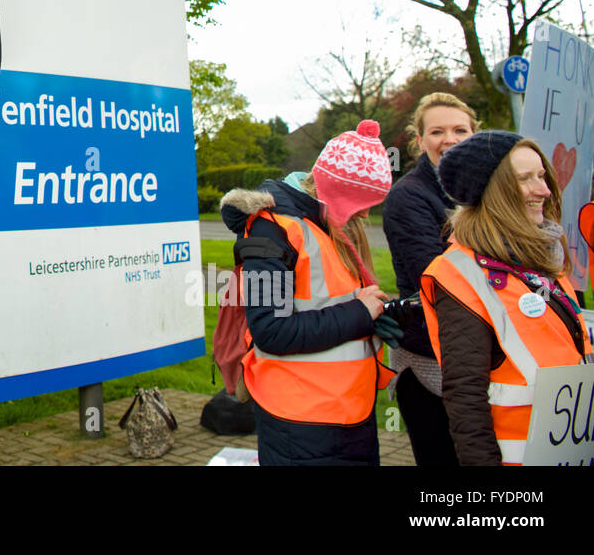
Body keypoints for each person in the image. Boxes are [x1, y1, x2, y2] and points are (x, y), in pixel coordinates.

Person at [220, 120, 395, 465]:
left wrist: (377, 317)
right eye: (361, 204)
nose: (366, 214)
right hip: (300, 422)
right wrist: (359, 314)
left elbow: (329, 301)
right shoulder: (270, 230)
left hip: (349, 413)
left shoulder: (329, 225)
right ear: (340, 193)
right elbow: (271, 330)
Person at [421, 132, 593, 465]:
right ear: (494, 192)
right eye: (525, 179)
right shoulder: (459, 274)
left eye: (542, 175)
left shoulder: (541, 257)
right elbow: (465, 397)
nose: (544, 189)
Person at [382, 93, 478, 465]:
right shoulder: (408, 196)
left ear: (474, 135)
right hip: (429, 359)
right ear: (419, 140)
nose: (449, 139)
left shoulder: (485, 191)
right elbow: (438, 278)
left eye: (460, 130)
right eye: (437, 131)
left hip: (477, 353)